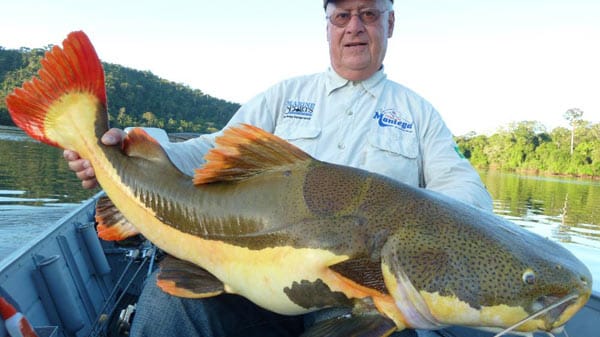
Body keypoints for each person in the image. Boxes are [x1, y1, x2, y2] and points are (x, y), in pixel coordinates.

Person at [65, 0, 493, 336]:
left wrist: (452, 230)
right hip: (252, 284)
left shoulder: (419, 114)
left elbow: (459, 185)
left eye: (368, 14)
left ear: (390, 23)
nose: (354, 27)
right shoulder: (285, 95)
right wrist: (127, 151)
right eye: (342, 16)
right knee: (172, 307)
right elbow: (211, 151)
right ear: (327, 26)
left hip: (366, 302)